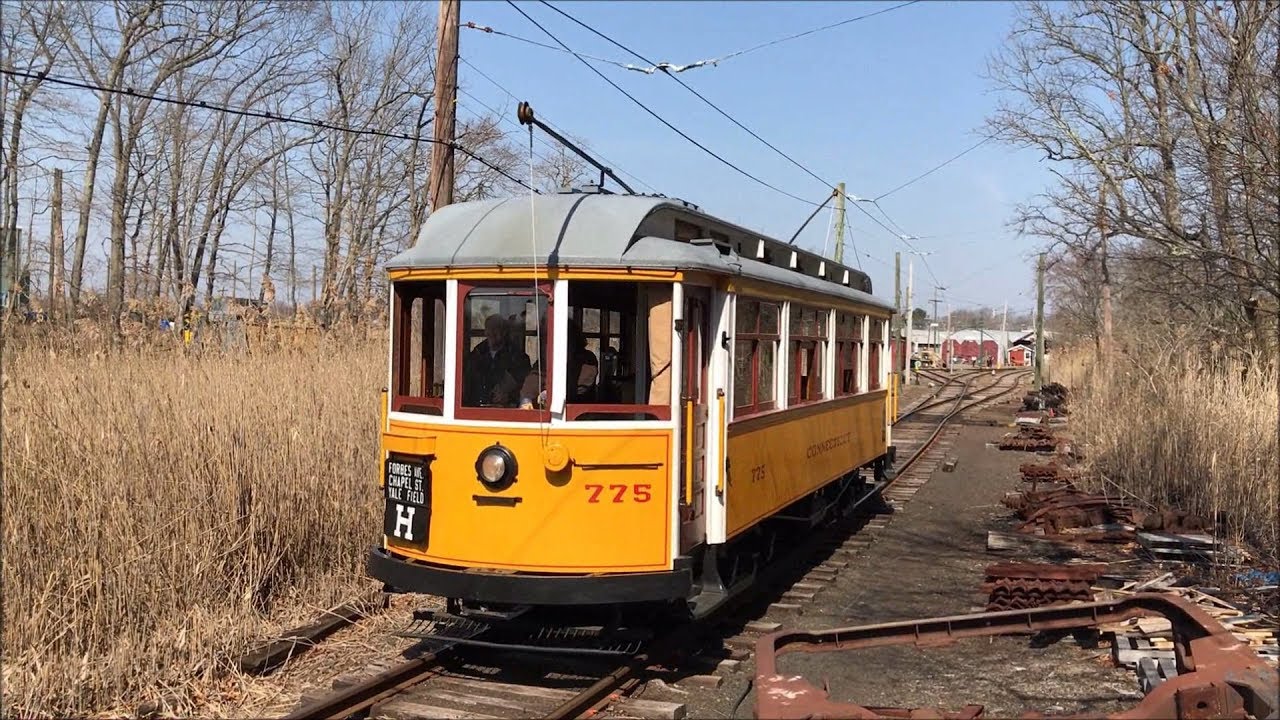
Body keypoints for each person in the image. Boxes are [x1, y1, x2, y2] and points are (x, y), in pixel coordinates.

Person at [519, 318, 599, 409]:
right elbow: (534, 378)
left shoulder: (587, 359)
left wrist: (548, 393)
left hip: (579, 412)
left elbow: (580, 386)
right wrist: (526, 398)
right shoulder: (549, 358)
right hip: (549, 412)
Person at [463, 314, 531, 407]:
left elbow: (526, 387)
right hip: (477, 409)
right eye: (489, 329)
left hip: (507, 410)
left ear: (504, 332)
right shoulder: (477, 353)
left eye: (496, 329)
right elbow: (467, 383)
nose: (491, 333)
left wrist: (510, 397)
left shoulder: (518, 357)